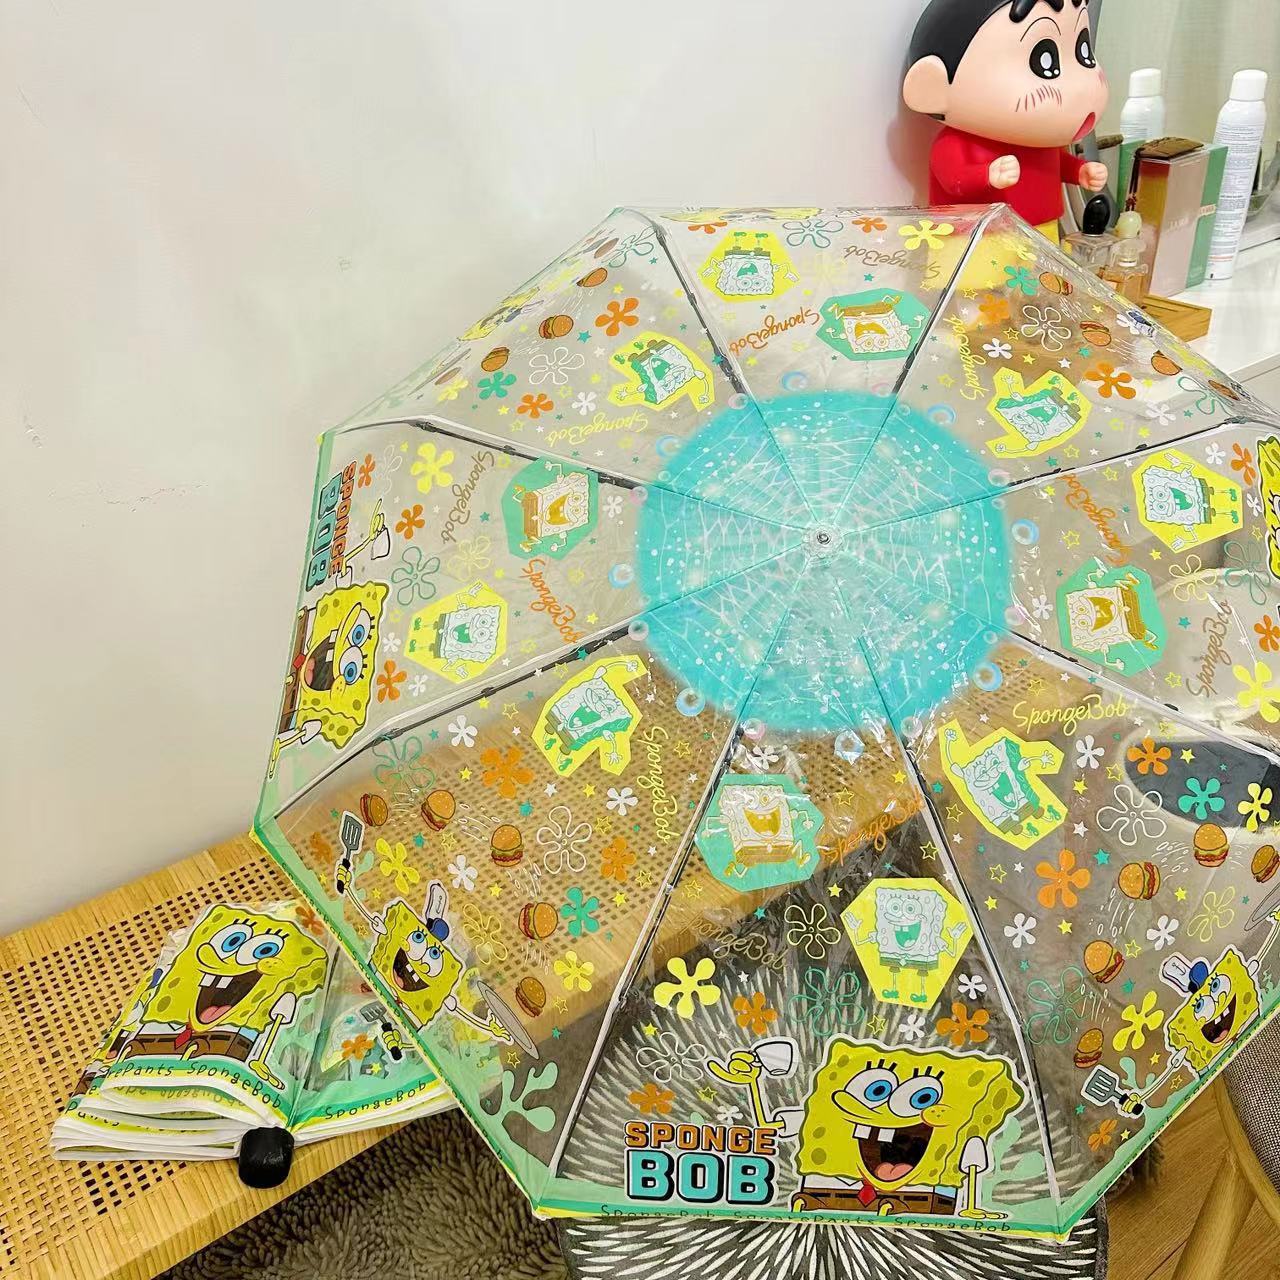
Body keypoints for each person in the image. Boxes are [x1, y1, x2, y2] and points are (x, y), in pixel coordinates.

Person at [903, 0, 1110, 241]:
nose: (1080, 84)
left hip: (1043, 230)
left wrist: (1079, 170)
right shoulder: (954, 143)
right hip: (977, 238)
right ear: (932, 86)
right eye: (1044, 60)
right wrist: (986, 175)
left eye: (1083, 52)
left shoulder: (1040, 140)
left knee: (1044, 267)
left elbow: (1054, 165)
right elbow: (953, 180)